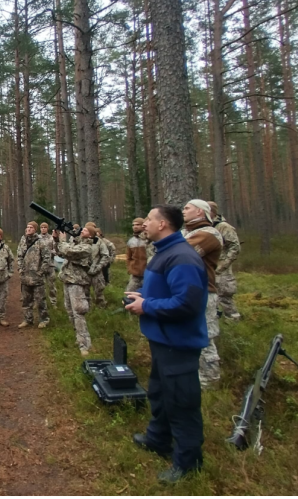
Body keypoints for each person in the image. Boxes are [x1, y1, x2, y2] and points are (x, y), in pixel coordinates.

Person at [124, 204, 208, 484]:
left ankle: (188, 462)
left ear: (162, 225)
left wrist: (147, 306)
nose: (144, 223)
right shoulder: (165, 252)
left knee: (181, 402)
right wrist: (139, 296)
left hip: (178, 344)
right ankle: (158, 439)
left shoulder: (182, 257)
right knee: (160, 394)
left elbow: (188, 303)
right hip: (162, 340)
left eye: (149, 219)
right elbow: (166, 292)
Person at [182, 200, 223, 389]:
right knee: (188, 334)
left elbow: (181, 253)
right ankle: (193, 375)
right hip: (188, 291)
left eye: (187, 208)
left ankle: (210, 380)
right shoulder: (188, 232)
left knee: (205, 336)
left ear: (200, 211)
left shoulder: (208, 234)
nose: (183, 211)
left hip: (203, 291)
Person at [55, 226, 95, 356]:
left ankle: (85, 344)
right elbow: (61, 253)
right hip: (68, 279)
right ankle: (79, 338)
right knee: (69, 310)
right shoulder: (77, 243)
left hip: (77, 282)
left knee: (78, 311)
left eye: (86, 230)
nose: (82, 230)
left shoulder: (87, 247)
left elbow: (69, 252)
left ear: (90, 236)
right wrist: (56, 239)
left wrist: (62, 240)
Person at [208, 201, 242, 321]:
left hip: (222, 270)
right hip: (210, 268)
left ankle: (234, 322)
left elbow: (235, 247)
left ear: (212, 212)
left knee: (225, 296)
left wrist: (224, 264)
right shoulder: (208, 226)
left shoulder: (224, 227)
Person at [17, 221, 51, 329]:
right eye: (27, 227)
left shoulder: (40, 242)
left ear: (35, 229)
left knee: (40, 300)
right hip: (25, 277)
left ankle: (44, 319)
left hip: (37, 277)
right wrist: (20, 269)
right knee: (26, 301)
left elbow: (47, 258)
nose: (28, 229)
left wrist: (41, 271)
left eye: (31, 227)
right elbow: (19, 255)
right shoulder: (23, 240)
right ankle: (28, 319)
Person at [84, 222, 110, 308]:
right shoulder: (80, 241)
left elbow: (105, 255)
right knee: (85, 292)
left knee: (99, 291)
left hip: (97, 271)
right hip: (84, 271)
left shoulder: (99, 242)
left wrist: (99, 267)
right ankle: (88, 308)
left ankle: (101, 307)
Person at [126, 218, 147, 292]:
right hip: (135, 275)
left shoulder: (148, 239)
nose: (135, 226)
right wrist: (130, 268)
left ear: (143, 225)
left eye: (138, 225)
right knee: (129, 294)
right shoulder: (131, 241)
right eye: (133, 225)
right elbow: (128, 257)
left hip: (147, 274)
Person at [39, 222, 58, 306]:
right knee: (40, 286)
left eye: (45, 227)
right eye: (42, 227)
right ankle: (41, 303)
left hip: (50, 265)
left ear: (47, 228)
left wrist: (51, 252)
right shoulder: (37, 238)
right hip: (40, 266)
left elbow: (56, 250)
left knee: (51, 286)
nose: (43, 228)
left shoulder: (51, 238)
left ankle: (53, 302)